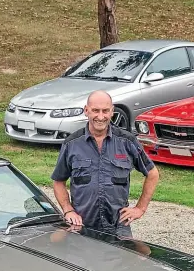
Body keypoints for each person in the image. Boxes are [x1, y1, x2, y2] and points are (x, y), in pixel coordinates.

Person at [50, 90, 160, 237]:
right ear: (86, 111)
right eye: (95, 110)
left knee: (123, 260)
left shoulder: (127, 141)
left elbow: (152, 173)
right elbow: (58, 181)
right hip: (82, 226)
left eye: (105, 111)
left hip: (118, 226)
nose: (100, 117)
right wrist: (68, 210)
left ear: (112, 112)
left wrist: (140, 208)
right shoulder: (72, 144)